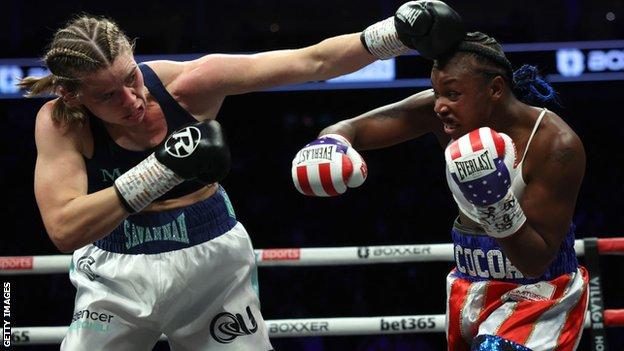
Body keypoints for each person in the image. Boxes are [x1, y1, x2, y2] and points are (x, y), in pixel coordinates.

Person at [18, 2, 465, 350]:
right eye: (108, 95)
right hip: (115, 270)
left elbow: (311, 63)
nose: (132, 99)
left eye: (132, 78)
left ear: (135, 54)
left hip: (211, 259)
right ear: (72, 94)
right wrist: (160, 170)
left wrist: (395, 33)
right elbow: (63, 229)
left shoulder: (188, 85)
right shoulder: (62, 122)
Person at [292, 31, 589, 351]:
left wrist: (494, 200)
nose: (440, 106)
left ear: (495, 89)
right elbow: (351, 128)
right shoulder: (440, 113)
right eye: (436, 92)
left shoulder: (556, 145)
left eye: (452, 94)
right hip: (470, 283)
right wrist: (331, 143)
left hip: (541, 293)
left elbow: (535, 261)